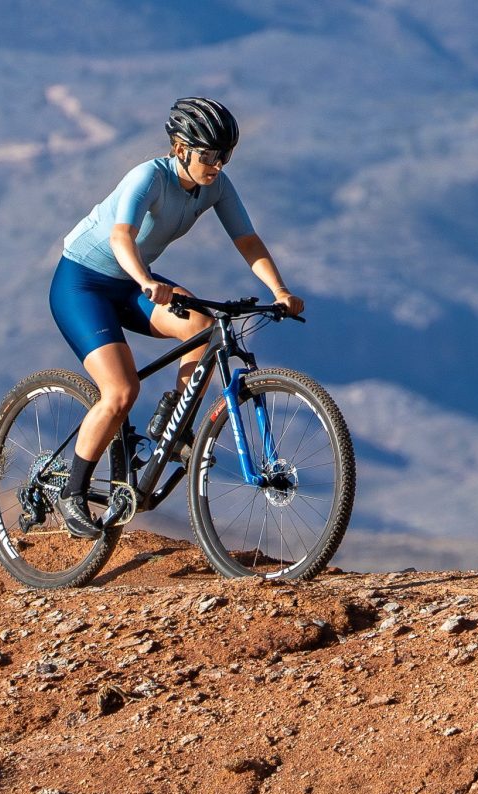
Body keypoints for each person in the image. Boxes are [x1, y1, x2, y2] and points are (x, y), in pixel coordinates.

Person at [48, 96, 305, 539]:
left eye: (226, 156)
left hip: (133, 281)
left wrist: (279, 291)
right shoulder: (148, 176)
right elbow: (121, 237)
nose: (218, 165)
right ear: (181, 149)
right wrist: (146, 281)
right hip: (83, 283)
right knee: (121, 390)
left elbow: (247, 240)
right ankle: (72, 492)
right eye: (210, 155)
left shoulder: (216, 186)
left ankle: (173, 424)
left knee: (203, 326)